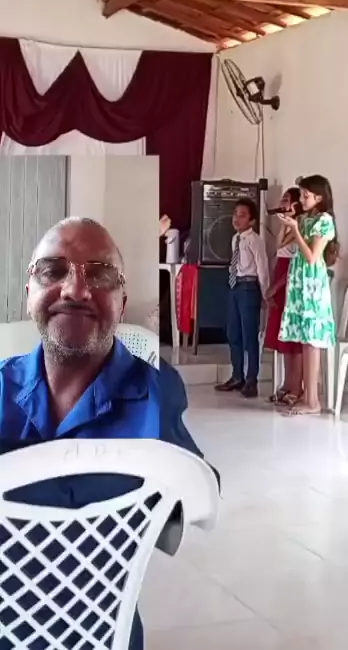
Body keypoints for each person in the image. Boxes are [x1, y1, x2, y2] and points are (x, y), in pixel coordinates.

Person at [0, 217, 216, 650]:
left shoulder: (157, 392)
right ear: (29, 294)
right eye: (52, 270)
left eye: (99, 274)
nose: (75, 290)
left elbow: (191, 505)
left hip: (104, 634)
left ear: (122, 302)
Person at [278, 175, 338, 415]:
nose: (301, 200)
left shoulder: (324, 221)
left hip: (313, 283)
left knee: (312, 339)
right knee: (304, 338)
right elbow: (281, 244)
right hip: (299, 282)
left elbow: (312, 256)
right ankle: (307, 395)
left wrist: (296, 229)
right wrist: (289, 223)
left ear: (319, 197)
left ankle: (313, 400)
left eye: (305, 195)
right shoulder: (303, 219)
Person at [215, 198, 269, 399]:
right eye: (235, 214)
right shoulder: (235, 239)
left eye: (243, 215)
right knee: (233, 333)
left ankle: (251, 380)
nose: (237, 219)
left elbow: (262, 267)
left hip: (249, 287)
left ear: (252, 220)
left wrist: (265, 293)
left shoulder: (255, 240)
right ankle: (237, 376)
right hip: (235, 286)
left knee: (249, 335)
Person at [264, 187, 303, 406]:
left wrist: (276, 287)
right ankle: (287, 384)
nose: (282, 204)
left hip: (289, 286)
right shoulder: (287, 229)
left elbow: (293, 267)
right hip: (279, 283)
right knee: (284, 339)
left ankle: (297, 386)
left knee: (294, 342)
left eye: (287, 200)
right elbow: (279, 247)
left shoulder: (300, 229)